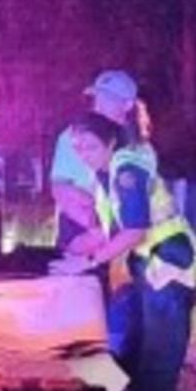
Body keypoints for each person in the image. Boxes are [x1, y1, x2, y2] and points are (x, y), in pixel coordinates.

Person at [52, 112, 196, 391]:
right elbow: (110, 230)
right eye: (77, 148)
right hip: (150, 271)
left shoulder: (126, 169)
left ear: (109, 141)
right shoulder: (107, 176)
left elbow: (133, 230)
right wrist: (72, 253)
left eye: (89, 145)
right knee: (132, 360)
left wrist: (85, 262)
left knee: (156, 369)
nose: (83, 154)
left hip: (167, 271)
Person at [50, 70, 141, 255]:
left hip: (128, 228)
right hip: (82, 226)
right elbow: (61, 189)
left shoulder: (137, 147)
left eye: (107, 99)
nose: (98, 105)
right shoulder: (71, 137)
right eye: (96, 97)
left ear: (127, 105)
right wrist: (96, 227)